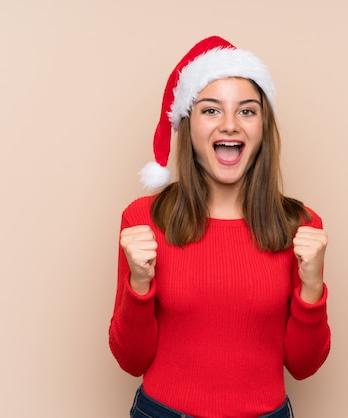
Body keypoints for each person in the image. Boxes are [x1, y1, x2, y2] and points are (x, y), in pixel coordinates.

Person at [109, 36, 331, 418]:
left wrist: (312, 288)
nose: (230, 125)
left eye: (247, 111)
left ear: (263, 127)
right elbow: (131, 359)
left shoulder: (300, 227)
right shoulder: (144, 220)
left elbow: (303, 366)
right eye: (211, 111)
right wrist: (139, 285)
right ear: (188, 126)